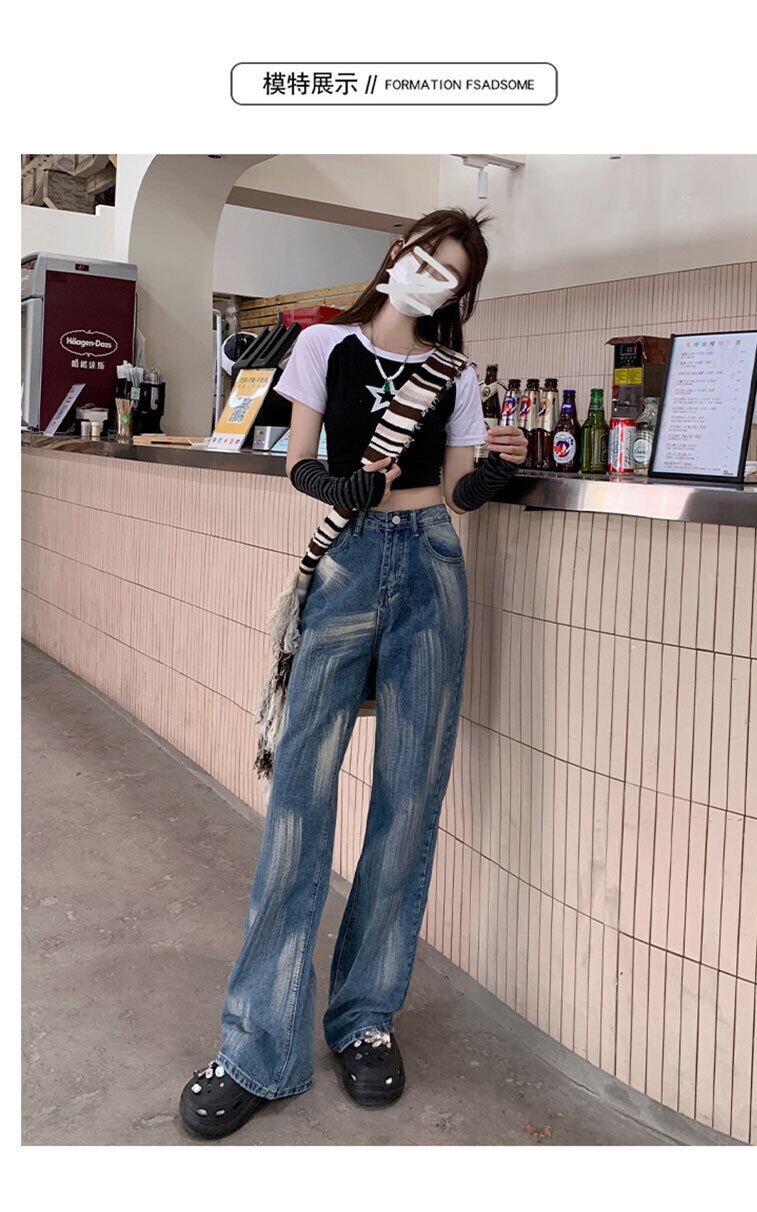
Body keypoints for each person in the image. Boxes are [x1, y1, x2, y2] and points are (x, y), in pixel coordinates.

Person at [179, 208, 528, 1139]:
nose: (431, 278)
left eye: (451, 275)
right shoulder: (323, 347)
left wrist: (497, 475)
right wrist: (334, 485)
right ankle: (257, 1046)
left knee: (409, 800)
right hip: (343, 568)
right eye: (425, 258)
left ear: (460, 295)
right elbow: (297, 461)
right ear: (396, 255)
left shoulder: (454, 374)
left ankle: (366, 1018)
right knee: (299, 800)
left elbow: (460, 491)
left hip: (433, 567)